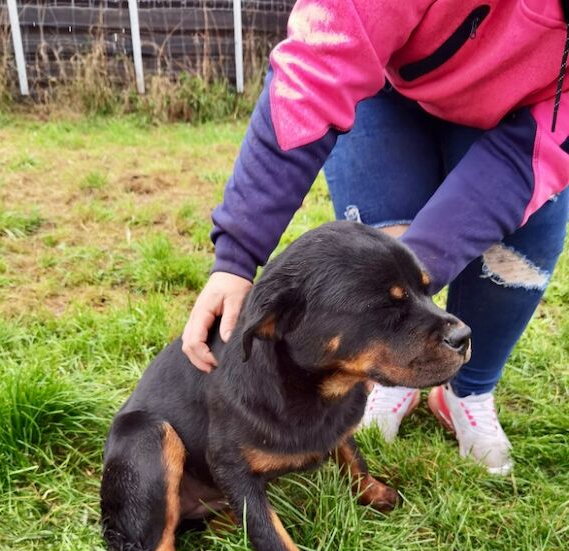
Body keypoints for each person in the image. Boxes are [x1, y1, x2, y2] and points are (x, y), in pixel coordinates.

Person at [182, 0, 569, 475]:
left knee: (522, 249)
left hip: (521, 117)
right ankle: (390, 381)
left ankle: (467, 391)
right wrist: (236, 256)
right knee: (387, 236)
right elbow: (319, 65)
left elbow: (525, 159)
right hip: (386, 87)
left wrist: (416, 269)